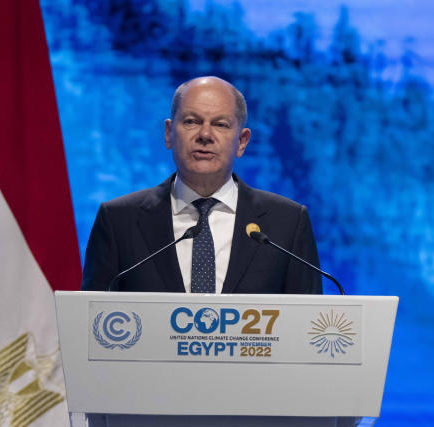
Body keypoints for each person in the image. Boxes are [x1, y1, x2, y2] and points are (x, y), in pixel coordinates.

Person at [81, 76, 322, 294]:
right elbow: (91, 322)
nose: (205, 134)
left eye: (220, 124)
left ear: (241, 141)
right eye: (191, 121)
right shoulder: (118, 220)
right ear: (168, 133)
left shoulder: (287, 224)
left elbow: (309, 329)